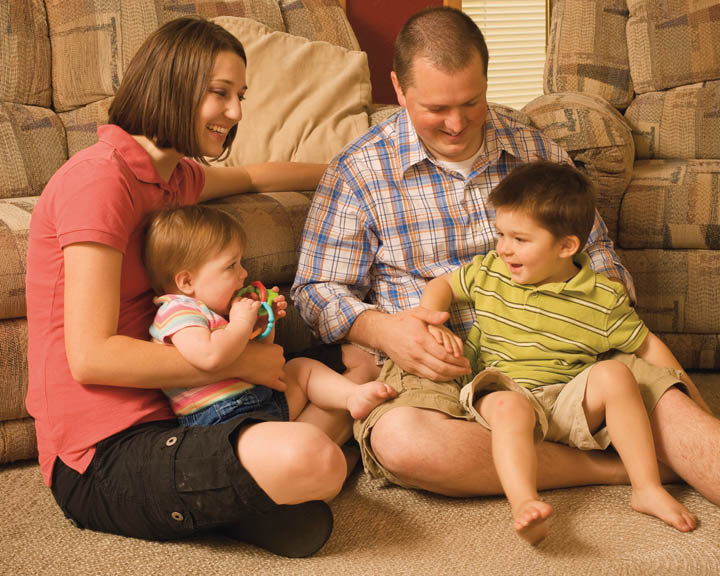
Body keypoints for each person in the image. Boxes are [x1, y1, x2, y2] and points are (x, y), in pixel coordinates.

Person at [292, 6, 720, 507]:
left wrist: (590, 317)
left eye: (472, 102)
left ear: (486, 78)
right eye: (435, 108)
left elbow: (596, 253)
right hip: (442, 368)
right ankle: (615, 468)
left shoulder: (535, 149)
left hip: (566, 350)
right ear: (399, 88)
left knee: (686, 422)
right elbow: (314, 289)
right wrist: (381, 329)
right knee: (403, 441)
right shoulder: (358, 171)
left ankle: (637, 443)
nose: (456, 124)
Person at [26, 16, 349, 558]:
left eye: (240, 95)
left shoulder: (176, 177)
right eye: (219, 94)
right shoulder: (100, 181)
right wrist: (238, 363)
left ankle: (245, 493)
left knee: (356, 368)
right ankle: (258, 488)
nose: (236, 113)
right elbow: (90, 359)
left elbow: (252, 176)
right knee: (315, 460)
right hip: (101, 451)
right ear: (171, 85)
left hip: (185, 410)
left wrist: (346, 170)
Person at [418, 161, 696, 543]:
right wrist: (431, 321)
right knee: (508, 407)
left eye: (520, 239)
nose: (503, 249)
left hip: (566, 399)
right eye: (501, 234)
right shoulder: (489, 272)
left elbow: (648, 346)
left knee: (615, 374)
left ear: (566, 246)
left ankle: (646, 487)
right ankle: (524, 503)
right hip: (504, 391)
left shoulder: (601, 299)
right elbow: (441, 283)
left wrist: (693, 399)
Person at [144, 204, 396, 428]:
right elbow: (210, 356)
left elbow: (262, 356)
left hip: (262, 400)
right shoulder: (177, 311)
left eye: (241, 263)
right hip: (223, 419)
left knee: (300, 369)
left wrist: (263, 324)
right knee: (286, 440)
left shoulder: (218, 313)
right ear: (186, 281)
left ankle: (351, 396)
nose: (243, 273)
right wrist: (242, 322)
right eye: (231, 266)